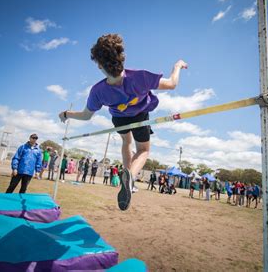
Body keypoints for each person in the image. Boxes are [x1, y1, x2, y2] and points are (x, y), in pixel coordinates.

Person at [59, 34, 188, 211]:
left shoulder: (98, 91)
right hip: (140, 115)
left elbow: (86, 116)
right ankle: (130, 176)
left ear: (99, 65)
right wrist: (177, 66)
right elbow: (172, 84)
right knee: (143, 150)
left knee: (126, 142)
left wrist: (67, 114)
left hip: (119, 118)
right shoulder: (139, 77)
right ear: (122, 57)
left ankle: (127, 177)